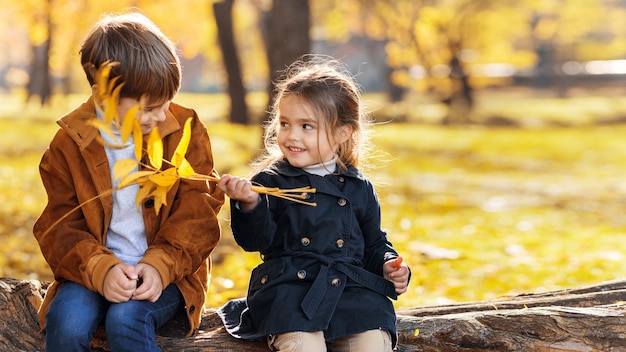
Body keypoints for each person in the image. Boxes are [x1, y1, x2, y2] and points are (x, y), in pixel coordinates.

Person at [33, 11, 224, 352]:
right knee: (67, 324)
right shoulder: (69, 145)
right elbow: (58, 228)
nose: (163, 115)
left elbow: (199, 211)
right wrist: (101, 269)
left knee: (126, 320)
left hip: (169, 273)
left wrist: (159, 265)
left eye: (167, 102)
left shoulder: (183, 129)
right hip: (92, 269)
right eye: (150, 107)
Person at [216, 55, 411, 352]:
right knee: (302, 345)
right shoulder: (271, 181)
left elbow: (373, 243)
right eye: (285, 123)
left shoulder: (359, 188)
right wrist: (249, 204)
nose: (292, 135)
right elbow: (256, 241)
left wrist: (389, 265)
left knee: (372, 342)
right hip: (290, 291)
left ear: (342, 132)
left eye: (307, 126)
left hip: (351, 293)